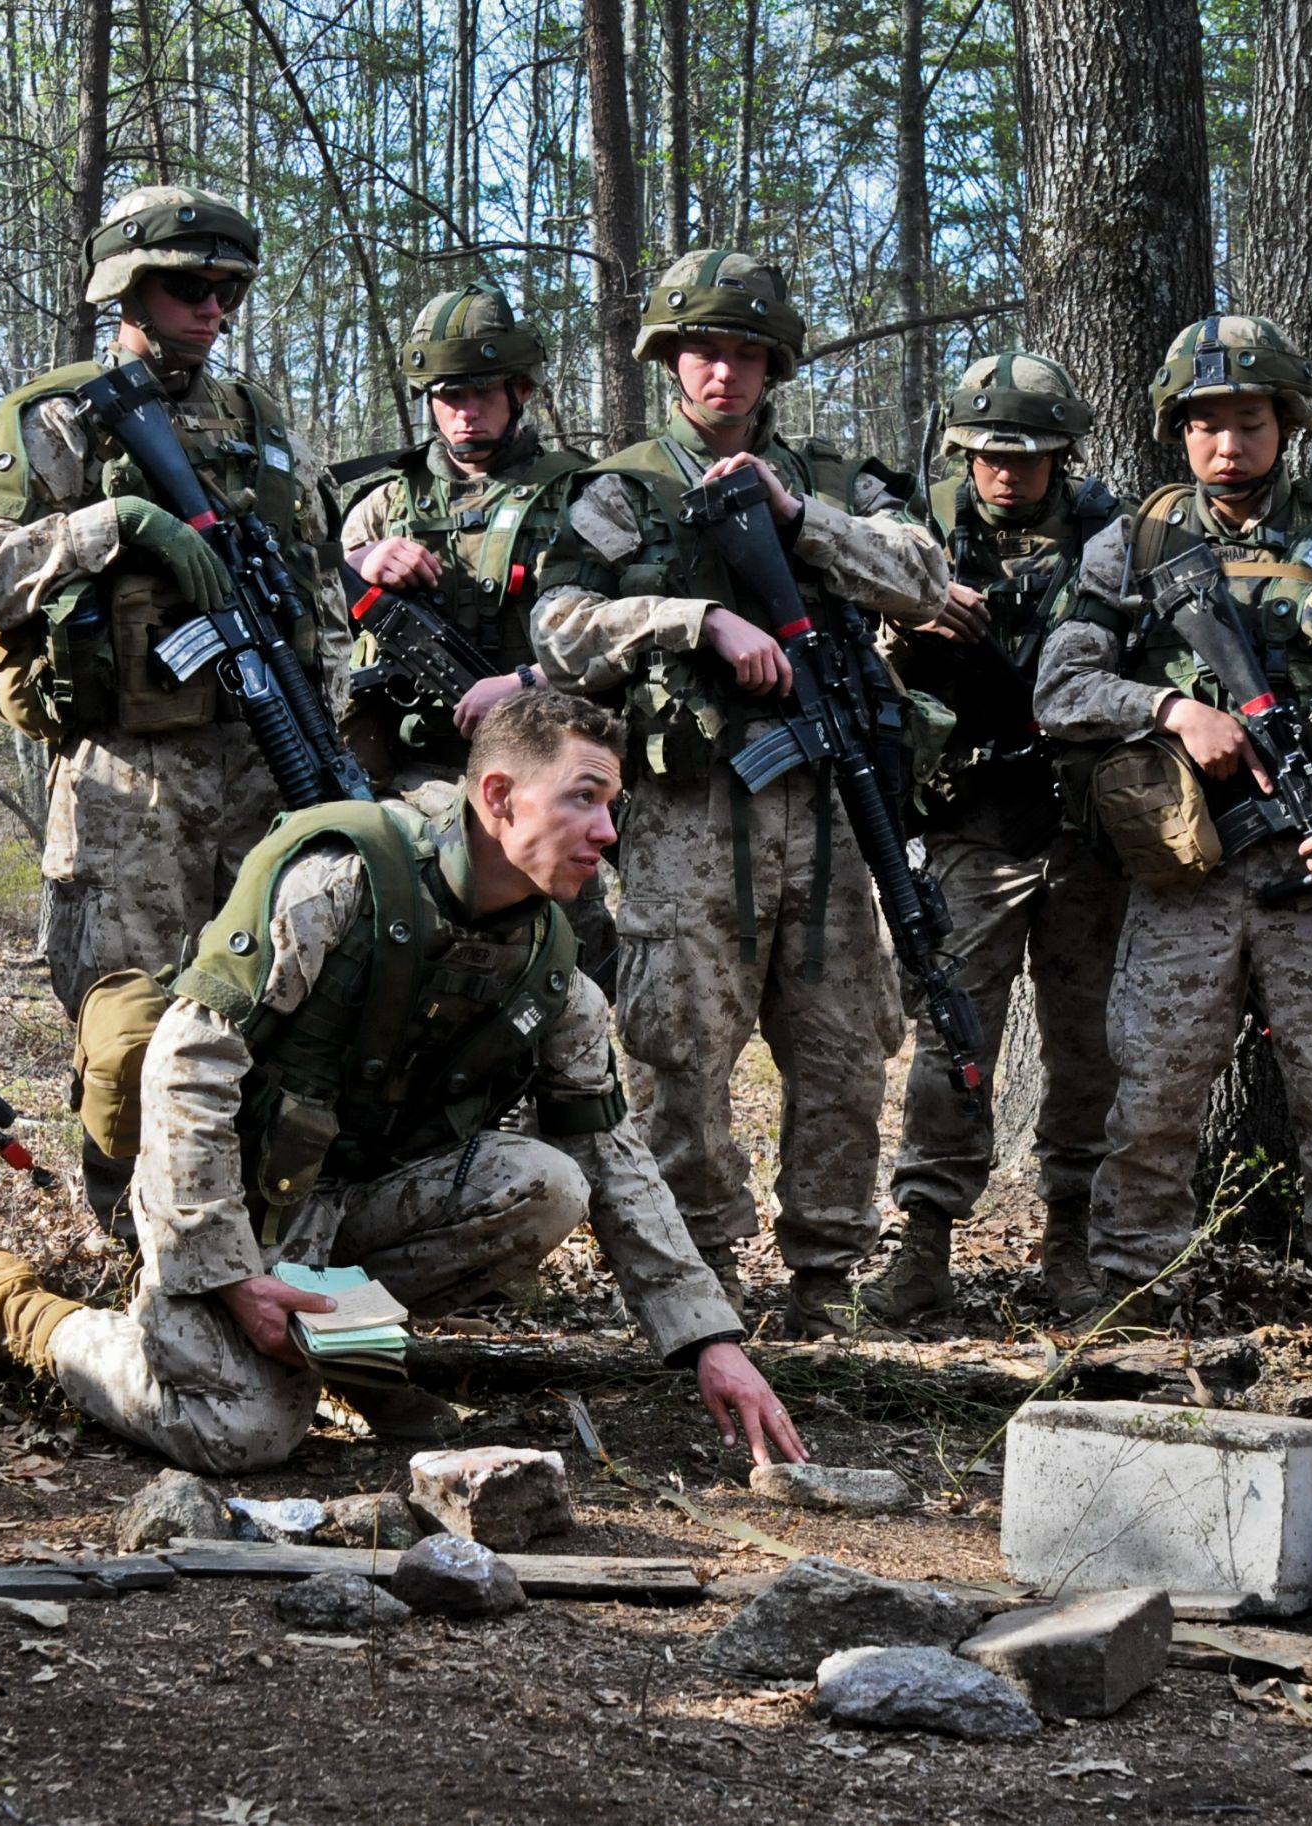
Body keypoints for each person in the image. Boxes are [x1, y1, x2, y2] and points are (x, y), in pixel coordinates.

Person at [0, 690, 805, 1474]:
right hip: (225, 1191)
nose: (606, 831)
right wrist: (229, 1276)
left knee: (547, 1182)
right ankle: (14, 1311)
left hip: (349, 1198)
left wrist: (705, 1338)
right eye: (583, 801)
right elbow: (187, 1071)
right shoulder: (342, 878)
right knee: (240, 1433)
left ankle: (336, 1346)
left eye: (613, 808)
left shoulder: (550, 961)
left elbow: (608, 1150)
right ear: (501, 794)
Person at [527, 249, 947, 1334]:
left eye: (745, 353)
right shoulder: (622, 489)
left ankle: (822, 1275)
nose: (723, 374)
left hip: (833, 812)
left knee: (844, 1047)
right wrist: (689, 618)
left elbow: (923, 578)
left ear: (774, 364)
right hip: (686, 815)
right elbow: (556, 629)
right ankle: (696, 1272)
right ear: (669, 360)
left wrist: (796, 517)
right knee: (677, 1049)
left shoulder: (832, 479)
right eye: (703, 352)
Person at [1035, 315, 1312, 1356]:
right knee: (1152, 1098)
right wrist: (1169, 710)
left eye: (1248, 421)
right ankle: (1130, 1300)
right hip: (1185, 871)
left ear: (1285, 425)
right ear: (1174, 433)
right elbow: (1057, 686)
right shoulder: (1128, 546)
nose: (1226, 444)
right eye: (1204, 425)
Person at [0, 184, 349, 1233]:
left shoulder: (262, 426)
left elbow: (319, 587)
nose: (213, 307)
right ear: (127, 288)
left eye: (228, 288)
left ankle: (242, 1230)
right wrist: (111, 524)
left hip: (269, 750)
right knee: (128, 1023)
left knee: (272, 1009)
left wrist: (326, 712)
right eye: (188, 286)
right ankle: (124, 1231)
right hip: (128, 773)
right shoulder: (60, 416)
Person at [857, 354, 1125, 1323]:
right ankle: (923, 1240)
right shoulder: (916, 531)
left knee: (1086, 1039)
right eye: (985, 457)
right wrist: (911, 611)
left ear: (1061, 456)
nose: (1004, 476)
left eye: (1027, 458)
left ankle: (1071, 1240)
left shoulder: (1107, 536)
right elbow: (851, 641)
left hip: (1082, 824)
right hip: (970, 820)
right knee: (950, 1030)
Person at [338, 284, 616, 981]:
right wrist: (359, 563)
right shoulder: (384, 503)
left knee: (566, 959)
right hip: (404, 776)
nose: (463, 413)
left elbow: (625, 637)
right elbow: (309, 613)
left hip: (541, 776)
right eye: (447, 396)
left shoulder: (584, 497)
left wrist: (526, 683)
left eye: (482, 394)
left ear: (520, 391)